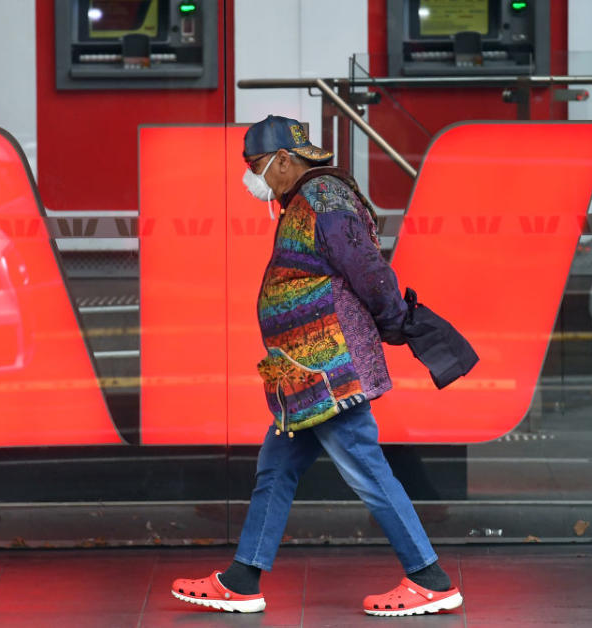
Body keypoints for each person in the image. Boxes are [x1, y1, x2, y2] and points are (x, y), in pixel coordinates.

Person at [171, 115, 463, 617]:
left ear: (285, 159)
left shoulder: (324, 198)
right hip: (295, 370)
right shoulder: (303, 200)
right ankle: (243, 580)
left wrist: (397, 320)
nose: (251, 178)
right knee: (275, 468)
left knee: (365, 467)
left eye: (256, 165)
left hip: (326, 366)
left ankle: (428, 578)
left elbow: (369, 269)